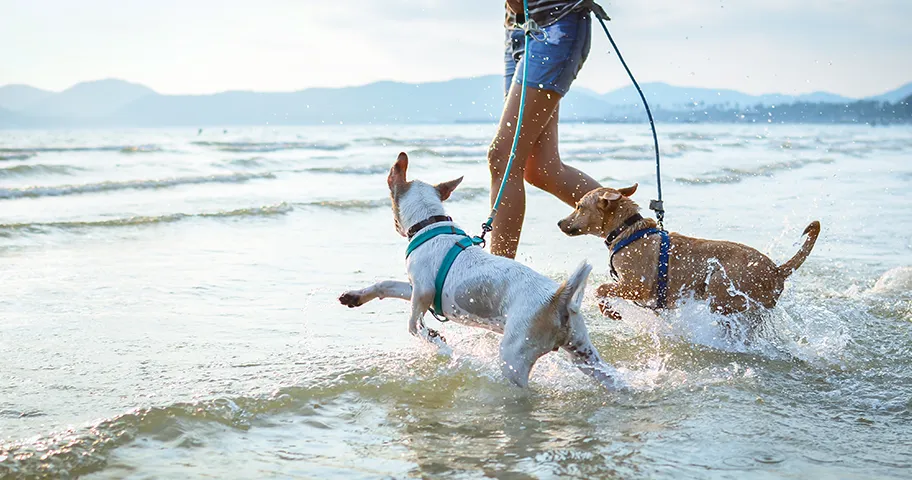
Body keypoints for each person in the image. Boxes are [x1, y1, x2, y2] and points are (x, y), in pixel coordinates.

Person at [488, 0, 604, 259]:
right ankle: (640, 237)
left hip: (556, 25)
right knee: (542, 170)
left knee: (503, 157)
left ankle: (496, 279)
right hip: (517, 29)